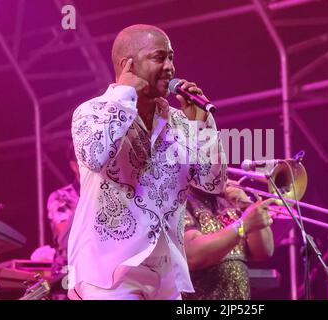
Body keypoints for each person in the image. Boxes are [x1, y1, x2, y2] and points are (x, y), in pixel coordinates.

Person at [67, 24, 226, 300]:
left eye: (172, 57)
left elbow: (212, 182)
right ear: (126, 64)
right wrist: (124, 97)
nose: (170, 67)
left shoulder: (178, 121)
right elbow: (96, 155)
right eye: (159, 57)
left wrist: (203, 126)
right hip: (110, 274)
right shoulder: (92, 111)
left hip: (166, 276)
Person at [182, 182, 274, 300]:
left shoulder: (229, 200)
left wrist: (247, 206)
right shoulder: (178, 200)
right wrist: (243, 225)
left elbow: (264, 251)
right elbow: (193, 255)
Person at [46, 145, 80, 299]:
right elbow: (63, 234)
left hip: (98, 274)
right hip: (66, 277)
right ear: (74, 165)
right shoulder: (61, 197)